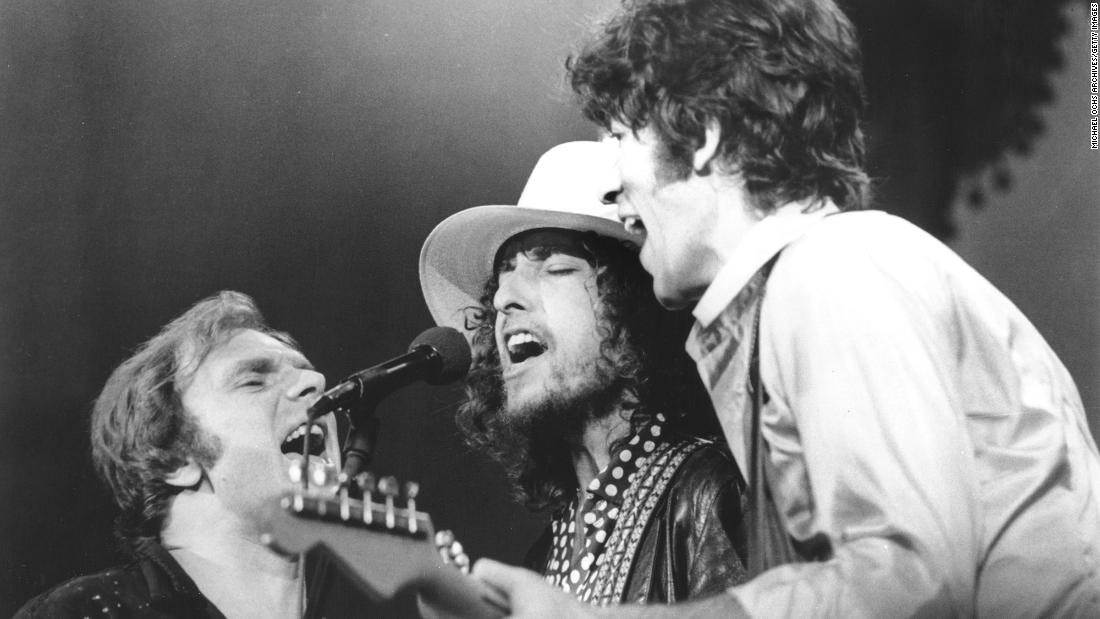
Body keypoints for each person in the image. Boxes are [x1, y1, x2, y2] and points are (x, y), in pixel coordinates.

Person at [471, 0, 1100, 617]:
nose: (613, 183)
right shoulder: (796, 295)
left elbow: (913, 590)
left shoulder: (828, 270)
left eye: (619, 136)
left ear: (703, 139)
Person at [418, 141, 748, 606]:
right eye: (503, 276)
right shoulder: (540, 565)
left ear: (634, 305)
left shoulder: (711, 495)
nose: (502, 299)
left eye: (554, 268)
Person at [15, 291, 347, 618]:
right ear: (176, 457)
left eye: (307, 372)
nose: (316, 382)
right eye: (254, 381)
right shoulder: (83, 612)